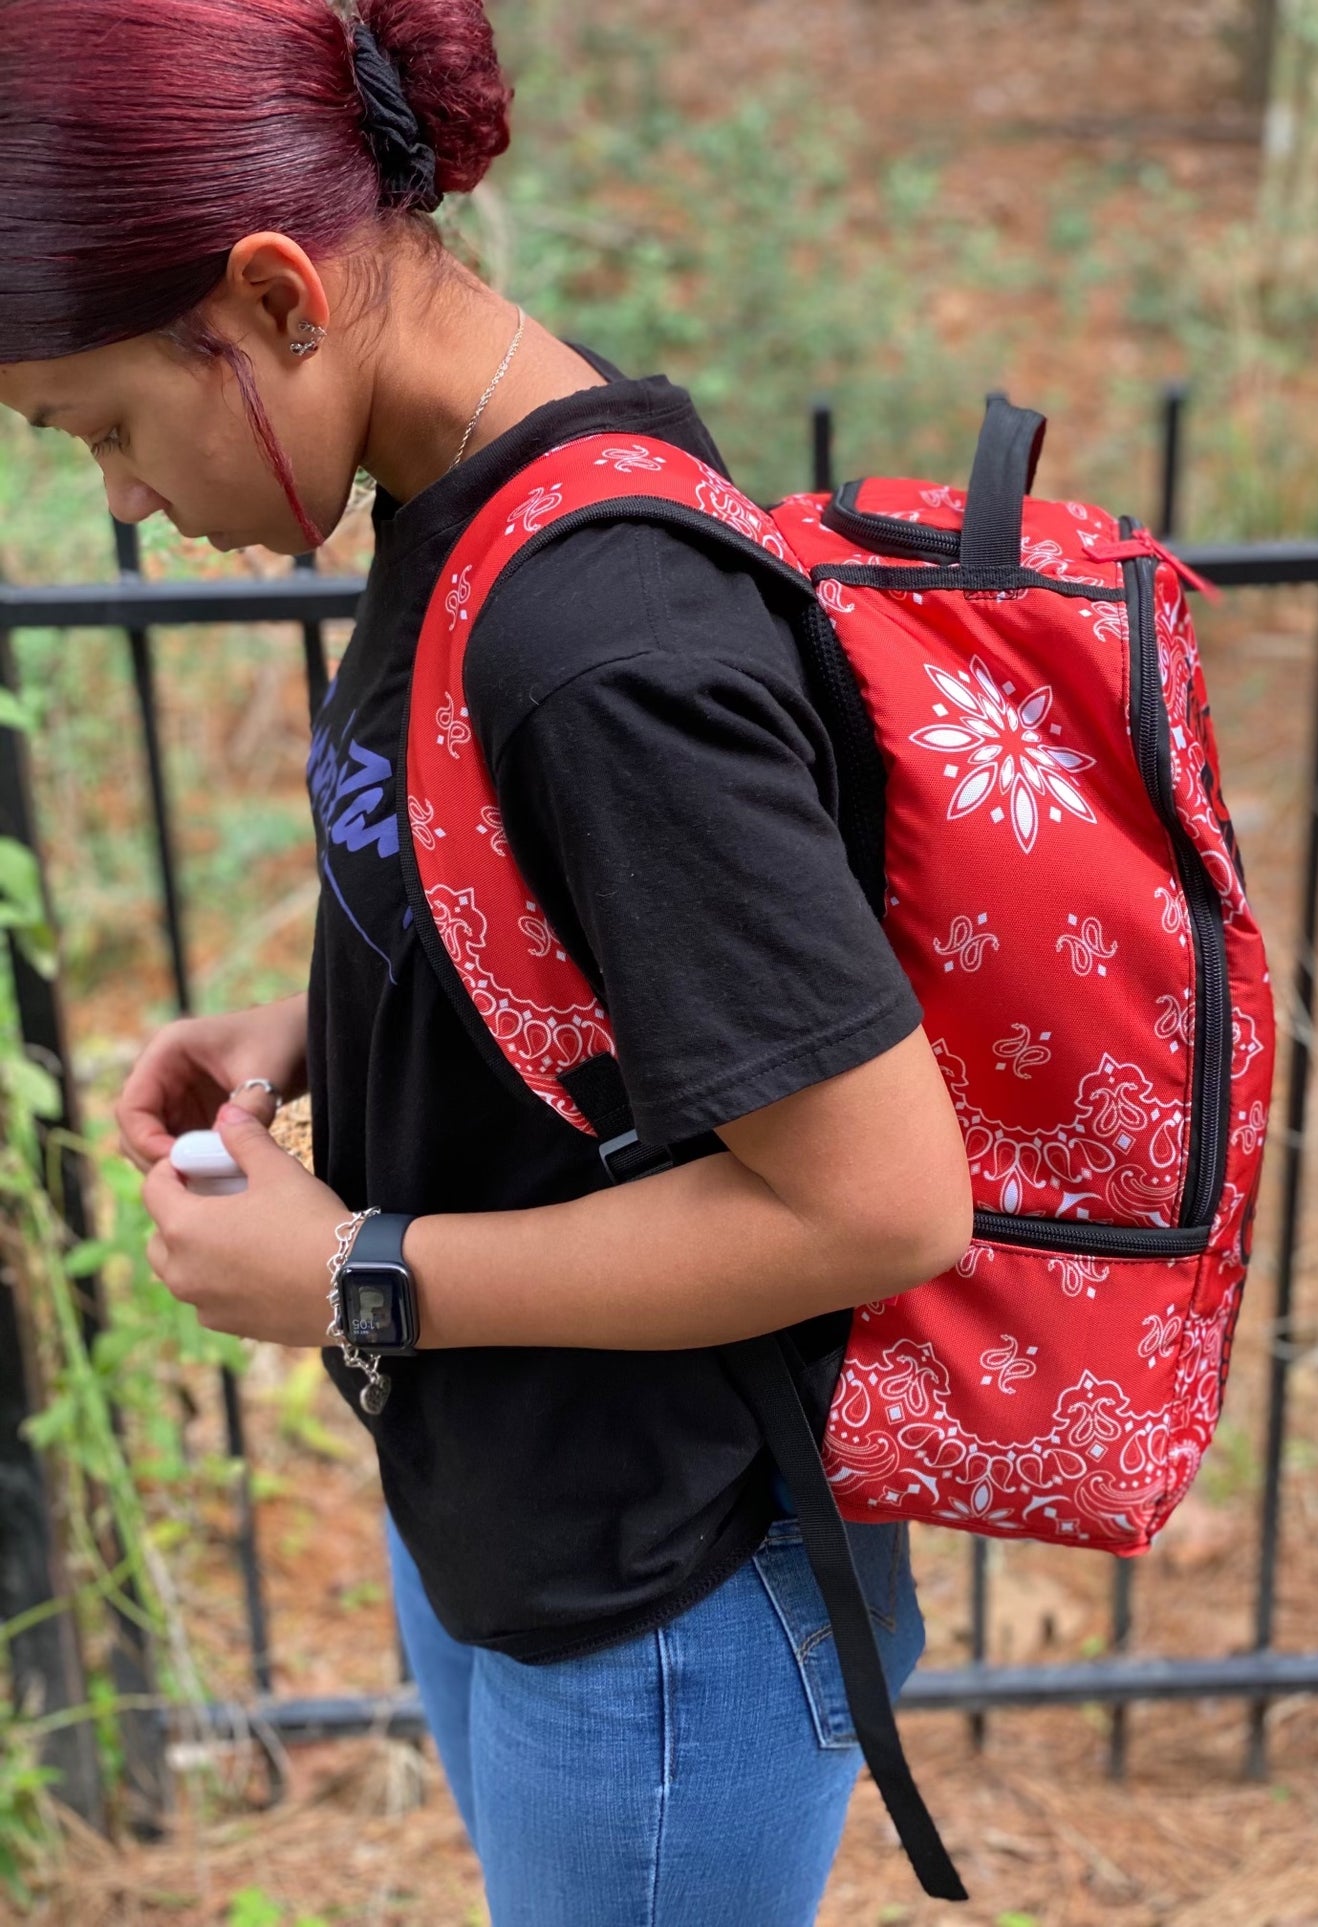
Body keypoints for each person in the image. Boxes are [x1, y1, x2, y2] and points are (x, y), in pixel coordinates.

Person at [0, 3, 973, 1920]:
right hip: (524, 1516)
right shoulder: (468, 486)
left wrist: (356, 1273)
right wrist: (333, 1011)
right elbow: (576, 910)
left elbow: (883, 1202)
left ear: (277, 292)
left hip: (664, 1600)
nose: (117, 492)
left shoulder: (599, 635)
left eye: (105, 422)